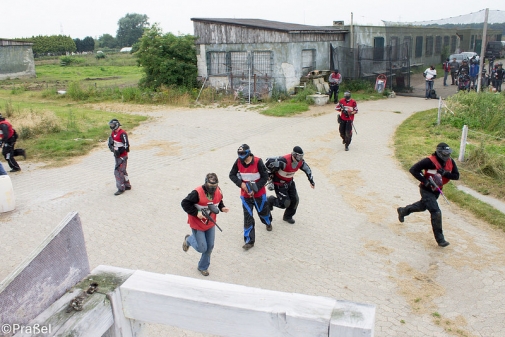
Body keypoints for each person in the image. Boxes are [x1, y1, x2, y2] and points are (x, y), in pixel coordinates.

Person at [397, 143, 460, 247]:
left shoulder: (451, 161)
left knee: (422, 207)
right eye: (445, 153)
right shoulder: (429, 161)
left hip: (437, 190)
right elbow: (413, 169)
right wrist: (425, 181)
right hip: (426, 190)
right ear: (439, 152)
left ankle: (403, 211)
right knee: (436, 212)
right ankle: (440, 240)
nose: (447, 155)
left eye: (449, 153)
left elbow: (456, 176)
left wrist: (445, 173)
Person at [181, 173, 229, 277]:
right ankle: (189, 239)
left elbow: (219, 201)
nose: (213, 188)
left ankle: (203, 267)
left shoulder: (219, 191)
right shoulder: (196, 193)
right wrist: (196, 213)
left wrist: (222, 208)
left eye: (215, 186)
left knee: (210, 247)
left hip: (210, 223)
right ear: (206, 183)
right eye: (211, 186)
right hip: (197, 224)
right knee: (202, 248)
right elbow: (184, 203)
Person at [229, 144, 272, 250]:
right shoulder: (238, 162)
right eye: (239, 154)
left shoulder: (258, 161)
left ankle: (268, 222)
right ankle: (249, 241)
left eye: (243, 153)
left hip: (259, 194)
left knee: (263, 212)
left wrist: (255, 188)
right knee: (247, 217)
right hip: (245, 196)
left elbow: (265, 176)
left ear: (248, 152)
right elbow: (232, 175)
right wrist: (241, 184)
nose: (241, 156)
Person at [265, 146, 315, 224]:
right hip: (279, 184)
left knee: (295, 200)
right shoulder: (283, 161)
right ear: (294, 154)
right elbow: (268, 162)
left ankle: (288, 216)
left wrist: (311, 181)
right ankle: (270, 200)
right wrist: (269, 175)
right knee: (285, 203)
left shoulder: (300, 162)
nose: (300, 158)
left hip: (290, 182)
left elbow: (307, 169)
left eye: (301, 156)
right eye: (298, 156)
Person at [107, 119, 131, 195]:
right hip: (116, 155)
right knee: (123, 170)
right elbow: (111, 142)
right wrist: (111, 147)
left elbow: (126, 146)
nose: (111, 127)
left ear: (117, 125)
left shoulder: (122, 133)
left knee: (117, 171)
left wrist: (119, 152)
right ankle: (127, 185)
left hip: (122, 156)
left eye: (112, 125)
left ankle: (121, 188)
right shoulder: (113, 133)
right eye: (110, 126)